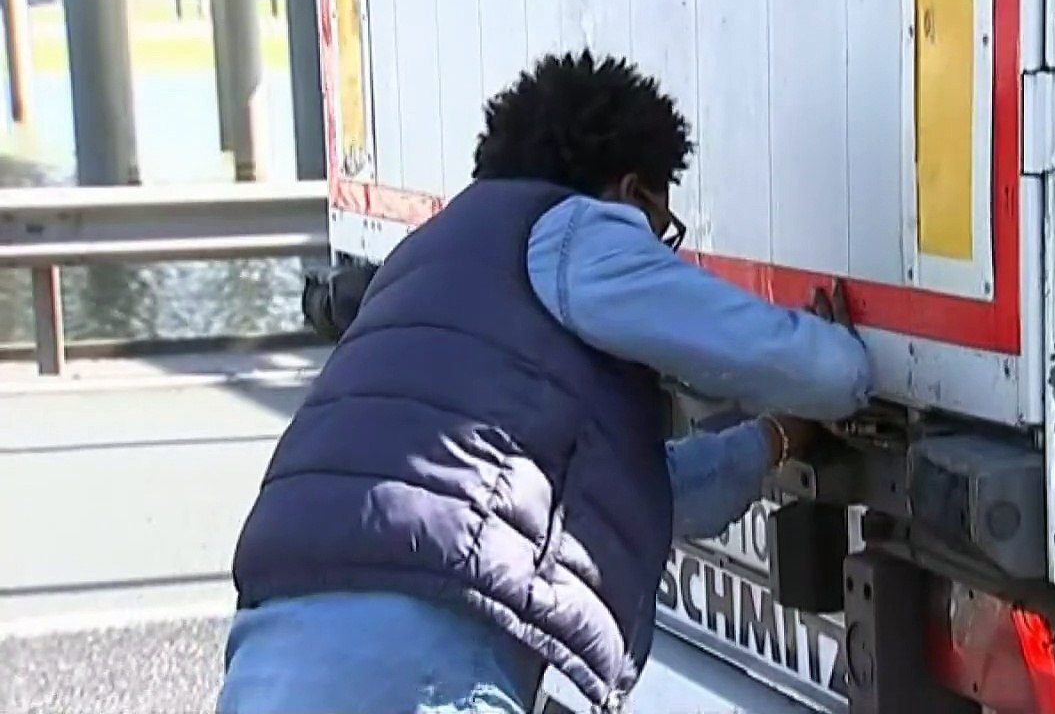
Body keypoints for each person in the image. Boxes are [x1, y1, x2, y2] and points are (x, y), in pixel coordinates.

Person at [216, 50, 871, 714]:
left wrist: (775, 441)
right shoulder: (573, 235)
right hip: (424, 655)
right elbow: (822, 369)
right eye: (659, 231)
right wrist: (838, 368)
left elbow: (624, 499)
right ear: (629, 192)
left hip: (271, 648)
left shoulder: (425, 266)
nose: (654, 248)